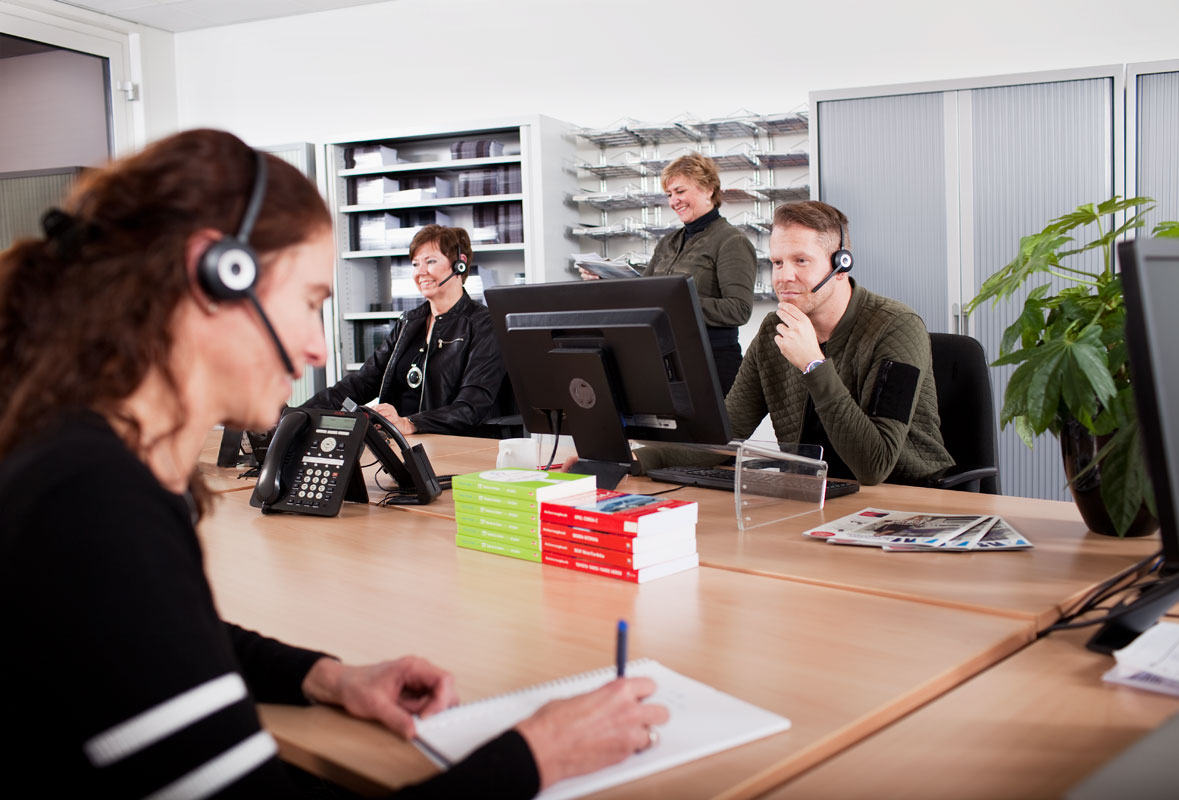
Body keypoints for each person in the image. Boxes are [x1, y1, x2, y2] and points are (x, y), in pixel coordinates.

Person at [0, 129, 666, 798]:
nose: (319, 346)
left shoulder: (79, 464)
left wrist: (323, 676)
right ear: (217, 276)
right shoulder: (92, 506)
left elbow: (160, 636)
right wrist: (536, 755)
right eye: (312, 301)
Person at [638, 201, 953, 486]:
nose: (784, 276)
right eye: (777, 262)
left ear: (841, 265)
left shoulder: (896, 327)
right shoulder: (774, 330)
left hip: (907, 498)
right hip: (815, 494)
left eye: (801, 261)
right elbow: (727, 431)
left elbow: (874, 466)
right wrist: (639, 458)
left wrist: (813, 365)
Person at [303, 224, 506, 437]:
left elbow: (471, 407)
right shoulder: (409, 323)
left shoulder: (485, 324)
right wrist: (300, 415)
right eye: (415, 264)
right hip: (404, 445)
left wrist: (409, 423)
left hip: (456, 446)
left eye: (430, 261)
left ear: (460, 264)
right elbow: (360, 383)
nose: (420, 272)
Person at [582, 153, 757, 393]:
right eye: (669, 194)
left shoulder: (731, 240)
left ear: (708, 189)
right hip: (665, 358)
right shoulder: (668, 242)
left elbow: (739, 309)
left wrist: (681, 303)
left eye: (680, 191)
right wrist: (607, 277)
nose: (674, 201)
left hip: (712, 361)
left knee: (710, 432)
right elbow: (645, 292)